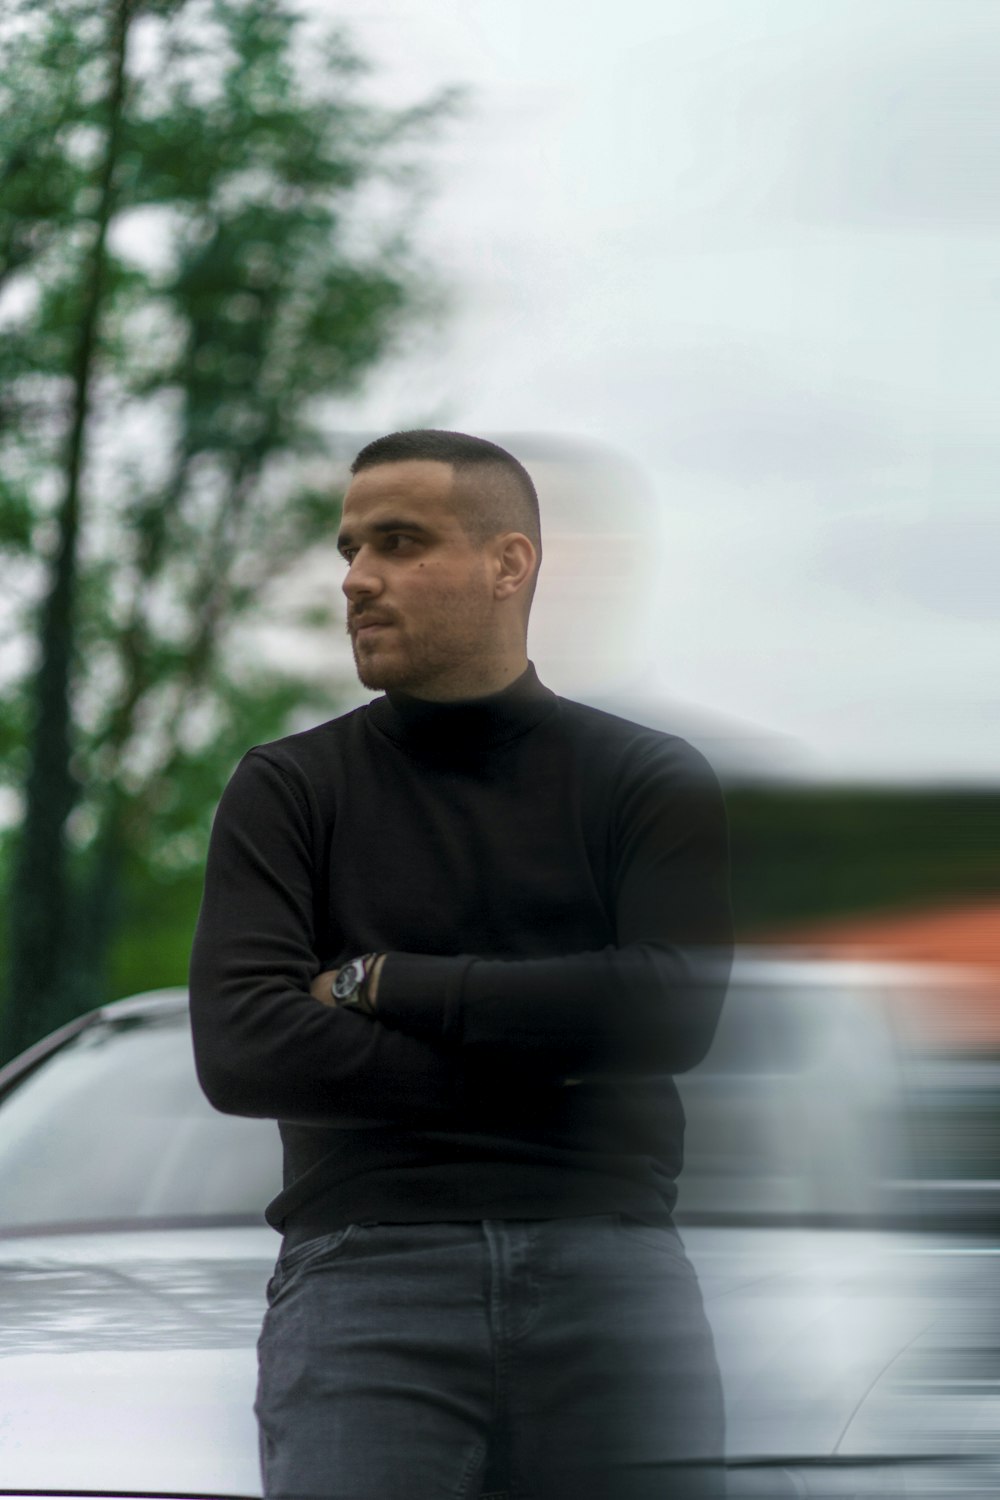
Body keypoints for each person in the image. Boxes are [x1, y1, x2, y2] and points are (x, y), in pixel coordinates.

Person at [189, 429, 733, 1500]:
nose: (355, 579)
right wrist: (567, 1059)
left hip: (610, 1271)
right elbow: (246, 1048)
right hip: (364, 1269)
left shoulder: (648, 778)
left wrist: (384, 981)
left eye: (397, 542)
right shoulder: (289, 788)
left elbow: (670, 1016)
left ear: (509, 563)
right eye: (348, 549)